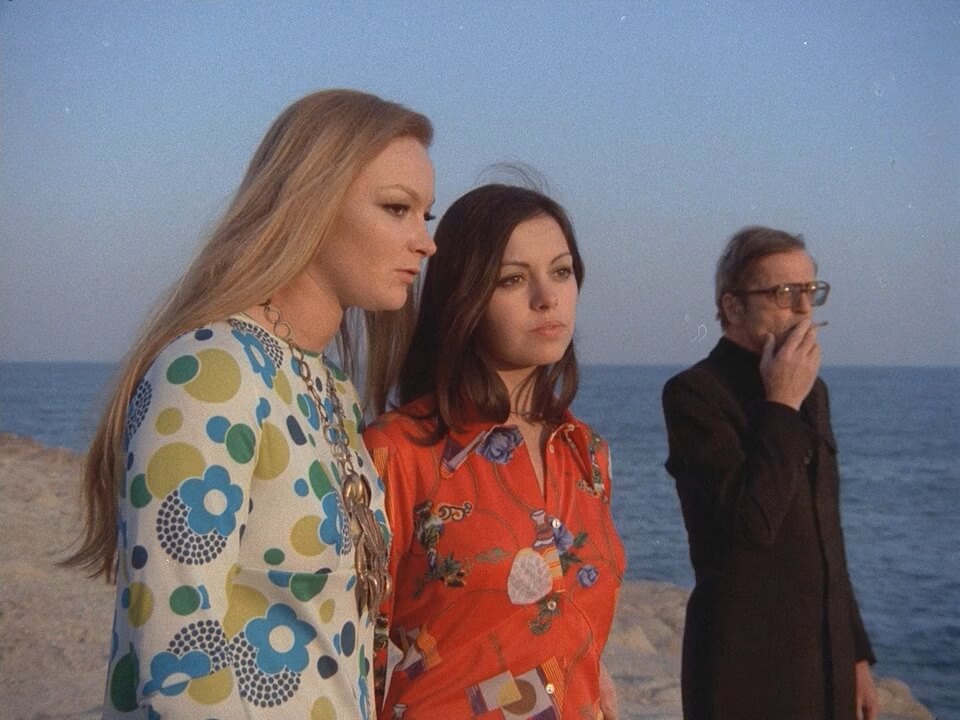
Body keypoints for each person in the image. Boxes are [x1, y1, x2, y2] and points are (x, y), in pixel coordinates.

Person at [63, 89, 436, 718]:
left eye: (425, 215)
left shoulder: (332, 389)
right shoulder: (210, 372)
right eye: (398, 208)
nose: (425, 242)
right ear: (311, 203)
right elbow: (179, 663)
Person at [363, 184, 626, 720]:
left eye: (561, 272)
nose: (547, 297)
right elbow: (357, 649)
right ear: (464, 296)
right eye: (512, 279)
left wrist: (591, 673)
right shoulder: (401, 451)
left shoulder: (587, 454)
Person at [661, 226, 879, 720]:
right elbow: (752, 526)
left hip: (824, 661)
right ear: (733, 306)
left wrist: (856, 656)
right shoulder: (695, 393)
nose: (803, 308)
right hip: (743, 670)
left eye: (810, 290)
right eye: (784, 292)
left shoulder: (811, 391)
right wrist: (781, 404)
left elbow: (826, 535)